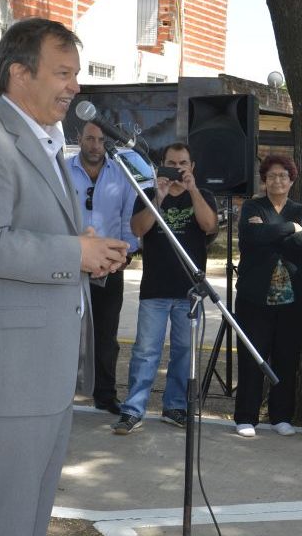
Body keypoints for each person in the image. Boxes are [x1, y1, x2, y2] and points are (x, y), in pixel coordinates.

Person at [0, 18, 129, 535]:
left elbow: (34, 238)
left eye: (77, 74)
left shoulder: (44, 142)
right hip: (8, 376)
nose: (76, 86)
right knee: (4, 521)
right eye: (63, 73)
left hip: (40, 375)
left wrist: (88, 251)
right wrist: (75, 251)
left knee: (30, 520)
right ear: (21, 75)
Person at [112, 142, 217, 434]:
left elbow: (208, 226)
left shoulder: (204, 195)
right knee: (146, 351)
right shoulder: (148, 195)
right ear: (162, 165)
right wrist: (158, 197)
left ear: (191, 167)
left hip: (189, 292)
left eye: (183, 163)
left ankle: (174, 407)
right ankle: (133, 410)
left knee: (184, 352)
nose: (178, 168)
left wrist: (193, 190)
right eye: (172, 162)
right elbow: (137, 229)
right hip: (155, 289)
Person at [233, 154, 302, 437]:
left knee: (287, 356)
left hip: (293, 299)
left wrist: (269, 233)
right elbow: (250, 236)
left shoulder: (301, 208)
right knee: (251, 356)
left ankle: (281, 416)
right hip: (255, 298)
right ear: (264, 180)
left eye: (283, 176)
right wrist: (290, 229)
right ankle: (246, 416)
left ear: (292, 180)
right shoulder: (252, 206)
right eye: (272, 176)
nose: (277, 181)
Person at [67, 121, 140, 417]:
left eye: (100, 140)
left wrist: (125, 254)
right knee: (65, 332)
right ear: (79, 139)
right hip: (69, 263)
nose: (95, 145)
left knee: (106, 336)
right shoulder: (62, 170)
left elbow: (128, 219)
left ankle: (106, 395)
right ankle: (60, 393)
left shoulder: (121, 174)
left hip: (110, 268)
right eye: (90, 139)